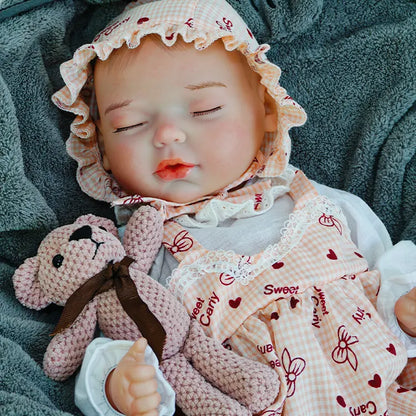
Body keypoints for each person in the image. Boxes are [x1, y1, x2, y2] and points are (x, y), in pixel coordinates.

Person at [52, 0, 416, 414]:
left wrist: (403, 312)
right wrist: (120, 386)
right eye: (130, 125)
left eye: (204, 110)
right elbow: (120, 340)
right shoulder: (134, 254)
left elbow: (387, 279)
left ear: (265, 110)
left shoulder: (321, 203)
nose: (168, 134)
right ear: (99, 145)